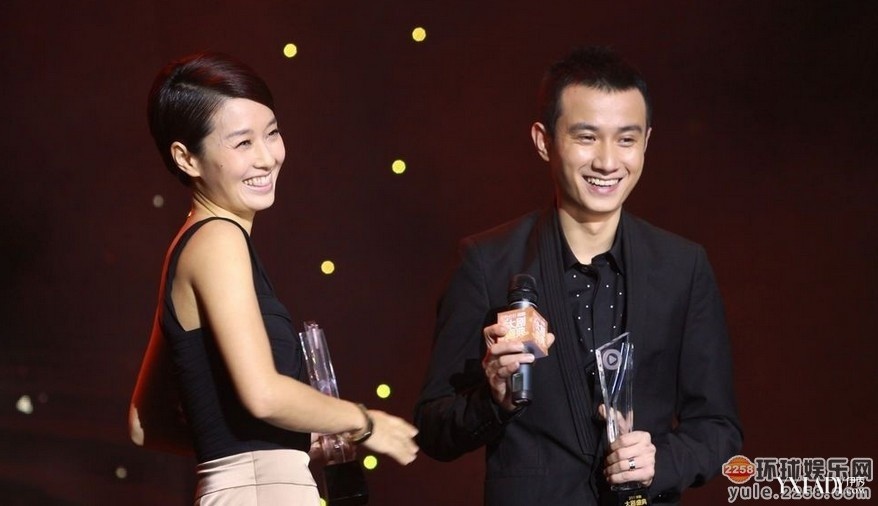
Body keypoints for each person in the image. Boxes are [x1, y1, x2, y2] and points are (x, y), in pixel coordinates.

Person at [414, 46, 742, 505]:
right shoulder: (487, 262)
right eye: (587, 137)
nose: (608, 162)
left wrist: (660, 462)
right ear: (543, 140)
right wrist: (494, 399)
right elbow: (433, 428)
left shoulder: (682, 267)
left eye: (626, 140)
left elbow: (718, 428)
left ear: (646, 142)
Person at [129, 52, 418, 505]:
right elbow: (262, 393)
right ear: (187, 158)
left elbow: (145, 423)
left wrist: (280, 446)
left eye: (272, 133)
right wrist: (364, 422)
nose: (267, 157)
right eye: (243, 143)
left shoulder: (192, 245)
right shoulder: (219, 240)